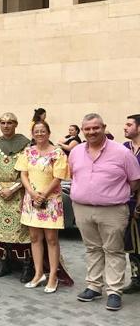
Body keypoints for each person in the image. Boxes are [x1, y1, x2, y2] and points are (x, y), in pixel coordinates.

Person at [70, 113, 140, 311]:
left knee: (114, 250)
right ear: (83, 130)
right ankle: (93, 286)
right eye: (88, 129)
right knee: (92, 248)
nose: (92, 132)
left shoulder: (122, 152)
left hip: (113, 210)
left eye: (96, 128)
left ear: (104, 127)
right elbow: (73, 175)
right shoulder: (76, 152)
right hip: (82, 208)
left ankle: (114, 291)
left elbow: (135, 181)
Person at [15, 121, 70, 293]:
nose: (39, 134)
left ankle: (53, 275)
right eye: (36, 131)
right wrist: (31, 193)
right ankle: (38, 273)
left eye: (43, 131)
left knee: (51, 239)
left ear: (48, 133)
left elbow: (58, 177)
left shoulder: (57, 153)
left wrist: (44, 194)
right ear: (32, 134)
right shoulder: (28, 151)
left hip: (51, 201)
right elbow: (23, 173)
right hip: (31, 200)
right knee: (34, 238)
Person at [0, 113, 32, 282]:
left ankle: (27, 266)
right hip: (0, 194)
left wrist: (13, 188)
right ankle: (4, 263)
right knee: (1, 231)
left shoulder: (26, 144)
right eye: (3, 123)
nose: (6, 126)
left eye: (10, 123)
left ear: (16, 124)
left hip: (18, 192)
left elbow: (29, 169)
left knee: (21, 230)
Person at [123, 114, 140, 294]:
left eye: (129, 124)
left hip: (138, 203)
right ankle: (137, 279)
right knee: (133, 243)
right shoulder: (124, 148)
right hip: (128, 203)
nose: (125, 127)